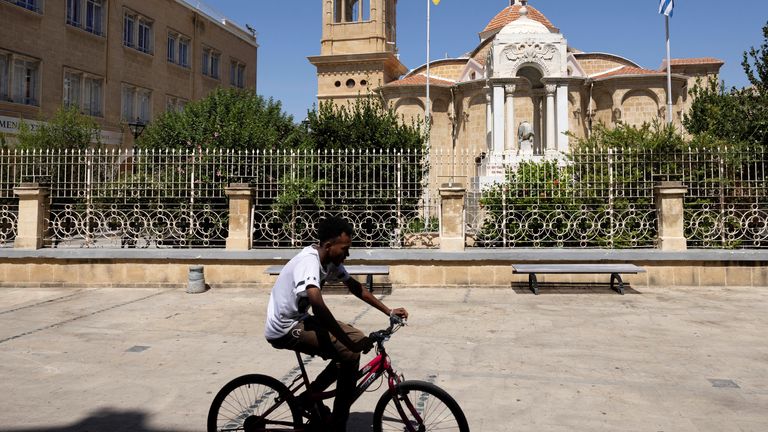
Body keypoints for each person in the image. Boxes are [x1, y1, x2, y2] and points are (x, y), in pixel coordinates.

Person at [264, 215, 408, 431]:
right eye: (345, 249)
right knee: (350, 352)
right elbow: (319, 307)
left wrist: (388, 310)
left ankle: (309, 397)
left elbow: (355, 287)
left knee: (358, 339)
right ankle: (338, 423)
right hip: (285, 328)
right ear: (329, 245)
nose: (347, 254)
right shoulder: (309, 262)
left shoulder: (330, 261)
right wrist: (347, 344)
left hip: (300, 320)